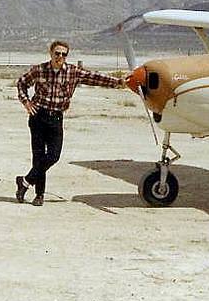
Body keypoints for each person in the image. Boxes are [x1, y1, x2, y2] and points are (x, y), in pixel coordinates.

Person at [15, 40, 127, 206]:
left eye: (64, 54)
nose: (60, 57)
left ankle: (24, 181)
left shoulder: (73, 72)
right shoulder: (39, 70)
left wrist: (118, 82)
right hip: (38, 117)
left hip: (56, 119)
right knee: (38, 158)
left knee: (53, 156)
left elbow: (94, 78)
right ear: (51, 53)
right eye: (57, 53)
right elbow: (22, 83)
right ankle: (39, 195)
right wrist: (26, 102)